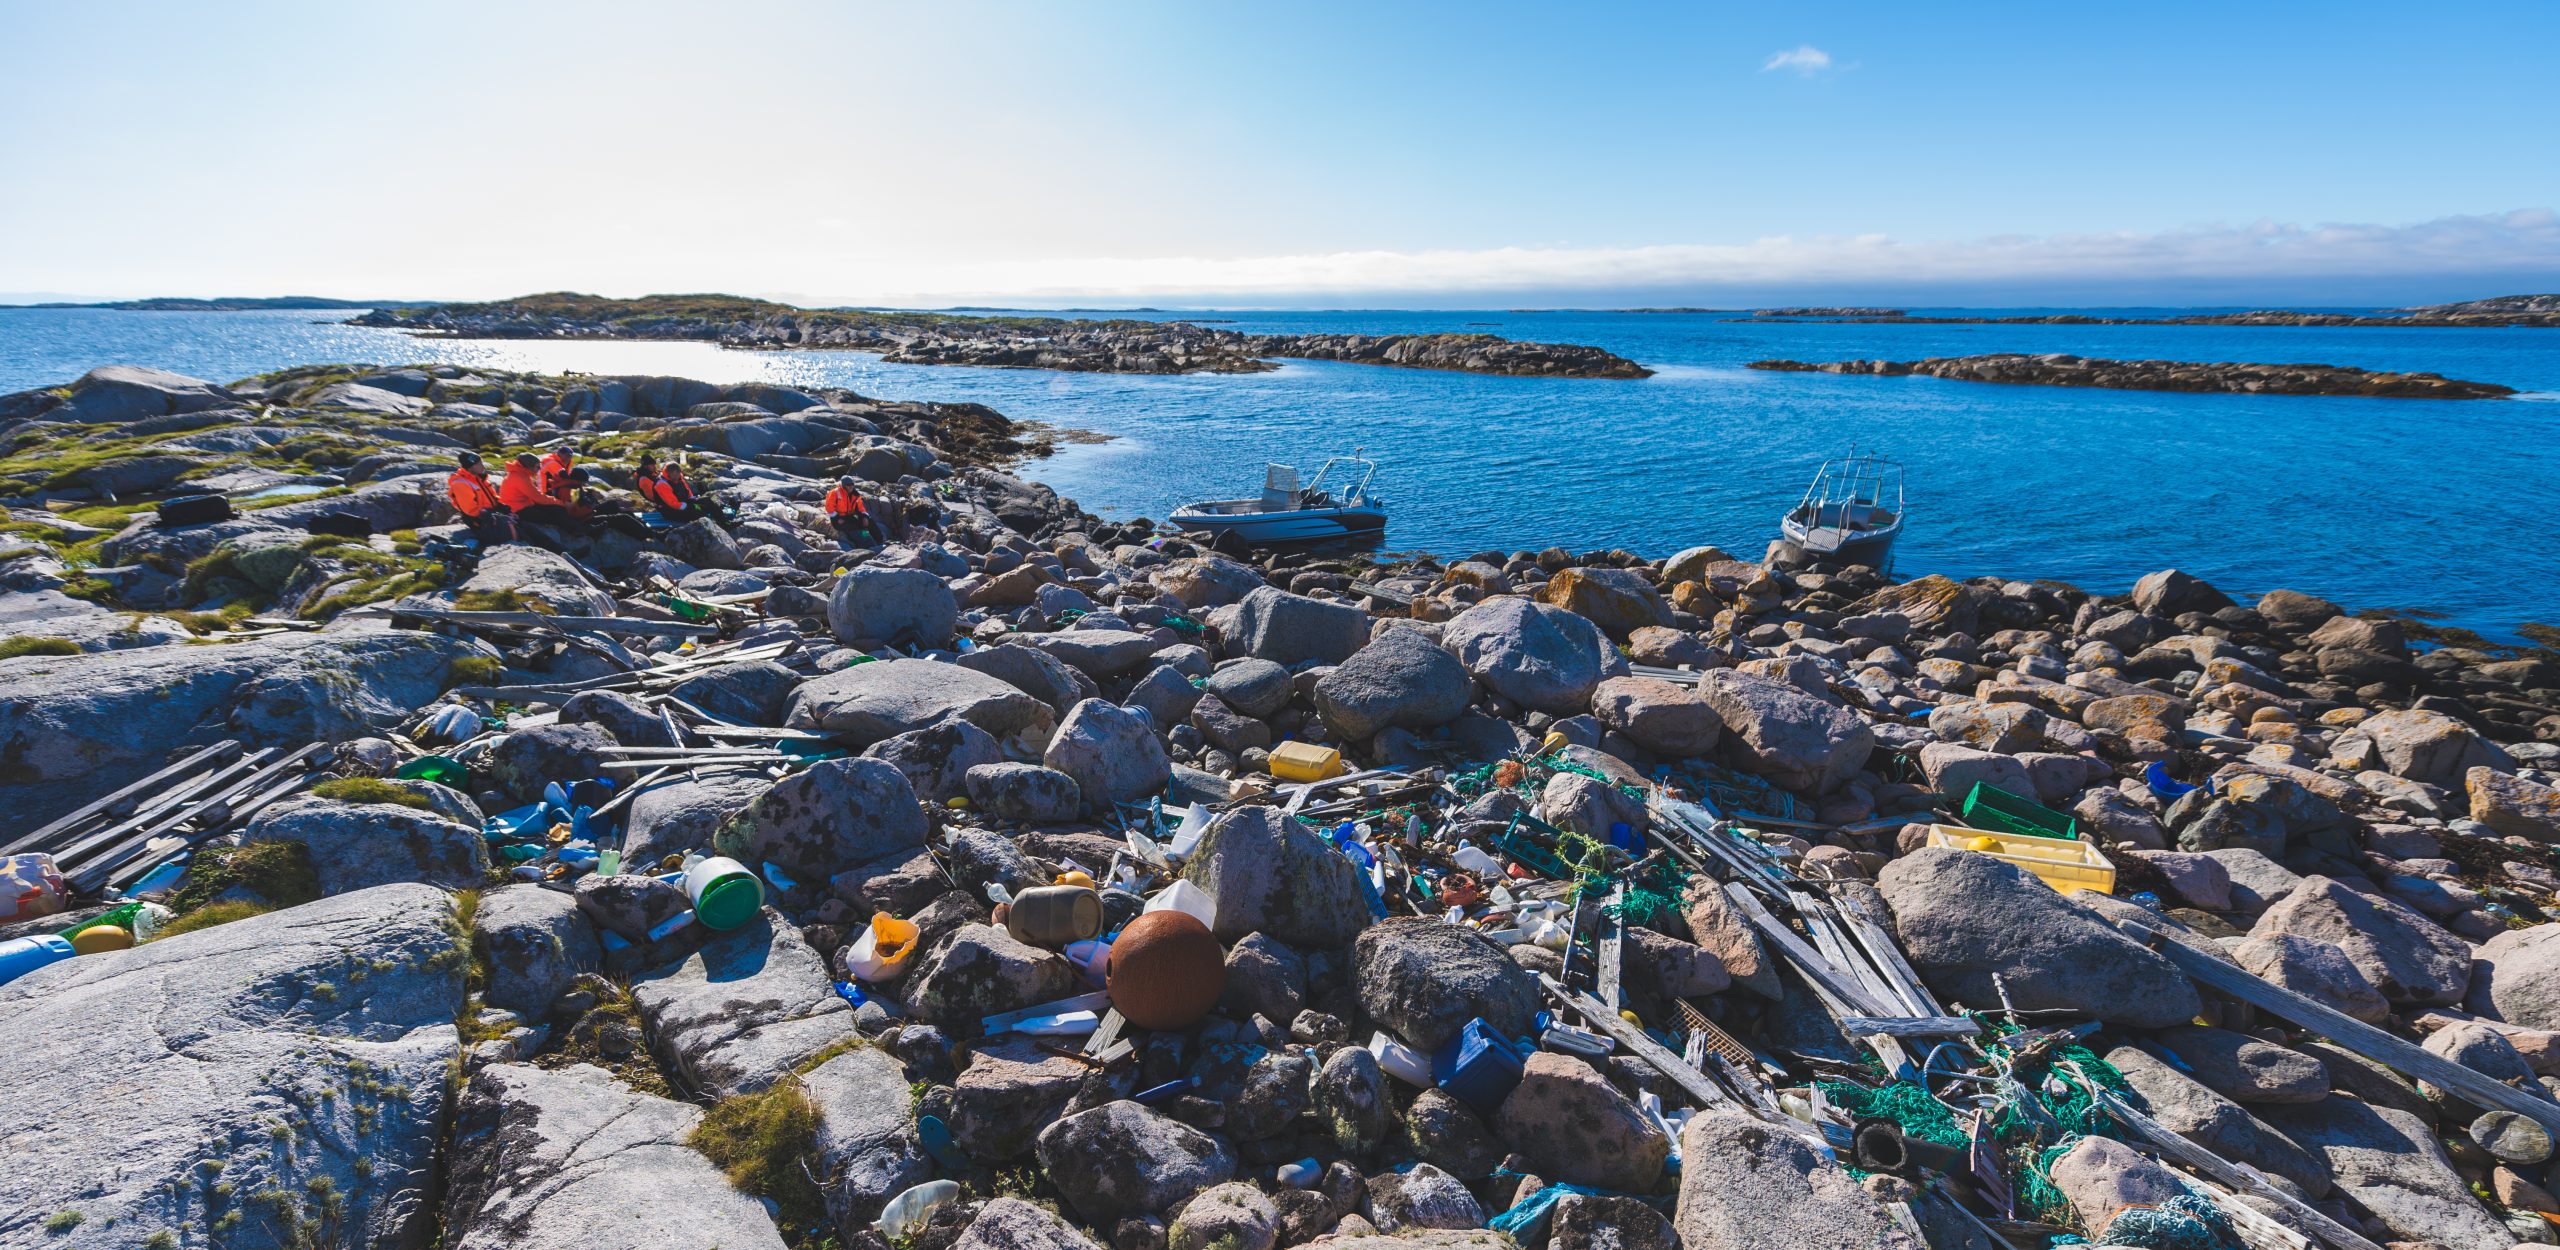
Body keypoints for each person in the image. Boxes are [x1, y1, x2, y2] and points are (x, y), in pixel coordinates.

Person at [499, 452, 582, 539]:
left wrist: (558, 503)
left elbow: (536, 494)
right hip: (517, 510)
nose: (539, 469)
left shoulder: (521, 473)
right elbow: (539, 498)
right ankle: (578, 531)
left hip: (524, 504)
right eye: (537, 467)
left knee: (555, 508)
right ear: (528, 466)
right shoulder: (520, 477)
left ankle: (576, 528)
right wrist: (562, 503)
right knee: (553, 514)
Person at [445, 451, 517, 544]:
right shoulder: (460, 483)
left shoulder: (479, 478)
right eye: (479, 464)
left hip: (490, 513)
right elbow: (471, 510)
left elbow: (493, 498)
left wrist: (501, 506)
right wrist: (491, 514)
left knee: (519, 519)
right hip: (478, 520)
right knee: (509, 528)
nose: (483, 466)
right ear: (471, 466)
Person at [823, 475, 879, 546]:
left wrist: (864, 517)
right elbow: (829, 508)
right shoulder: (834, 493)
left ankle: (879, 540)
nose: (851, 486)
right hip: (837, 519)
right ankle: (867, 545)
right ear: (843, 485)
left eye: (852, 484)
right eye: (848, 485)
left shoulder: (855, 494)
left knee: (867, 523)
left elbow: (861, 508)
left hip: (849, 516)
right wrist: (837, 518)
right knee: (854, 529)